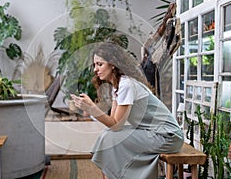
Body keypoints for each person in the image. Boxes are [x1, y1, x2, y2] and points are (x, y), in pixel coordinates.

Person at [71, 42, 184, 179]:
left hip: (168, 137)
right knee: (108, 136)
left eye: (100, 64)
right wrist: (91, 109)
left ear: (112, 64)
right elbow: (113, 124)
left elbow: (116, 125)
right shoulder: (118, 86)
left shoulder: (126, 85)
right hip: (154, 134)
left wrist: (92, 109)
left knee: (109, 138)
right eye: (95, 65)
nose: (95, 69)